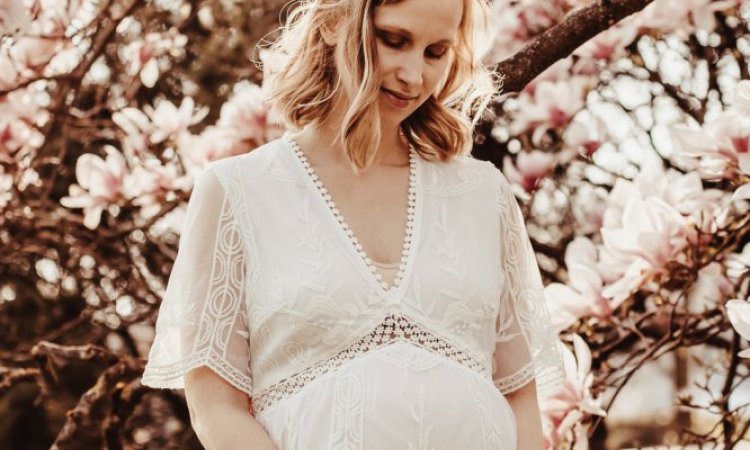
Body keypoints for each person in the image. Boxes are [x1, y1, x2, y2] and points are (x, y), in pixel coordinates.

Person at [141, 0, 565, 448]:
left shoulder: (483, 194)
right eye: (394, 41)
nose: (413, 75)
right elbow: (215, 405)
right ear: (330, 24)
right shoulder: (236, 190)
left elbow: (519, 394)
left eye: (436, 53)